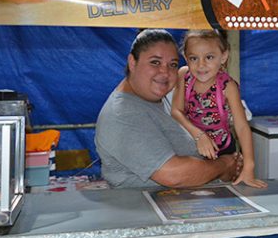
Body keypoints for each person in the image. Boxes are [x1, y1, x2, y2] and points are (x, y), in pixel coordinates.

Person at [95, 29, 242, 189]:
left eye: (173, 65)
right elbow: (174, 175)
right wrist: (224, 165)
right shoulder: (123, 114)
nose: (165, 72)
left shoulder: (162, 96)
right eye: (155, 62)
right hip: (150, 203)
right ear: (132, 62)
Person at [171, 30, 267, 188]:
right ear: (186, 58)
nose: (201, 65)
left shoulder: (228, 86)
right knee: (193, 187)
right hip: (192, 143)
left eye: (209, 57)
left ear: (223, 56)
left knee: (221, 190)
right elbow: (176, 111)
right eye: (194, 58)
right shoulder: (184, 75)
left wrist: (249, 166)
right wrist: (199, 136)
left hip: (223, 148)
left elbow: (242, 126)